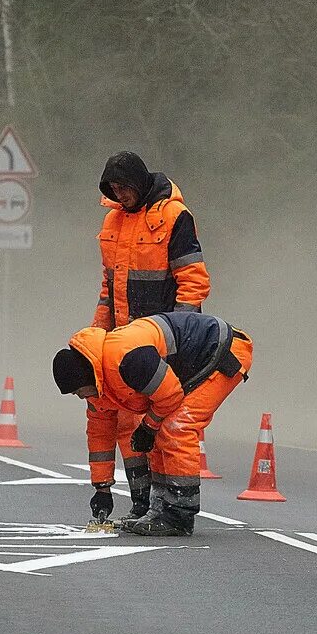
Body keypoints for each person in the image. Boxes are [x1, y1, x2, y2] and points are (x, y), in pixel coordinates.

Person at [52, 311, 253, 537]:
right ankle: (158, 509)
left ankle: (178, 515)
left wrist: (148, 426)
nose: (80, 397)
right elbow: (100, 435)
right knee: (158, 431)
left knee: (177, 427)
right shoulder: (99, 384)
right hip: (194, 360)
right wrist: (102, 488)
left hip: (221, 349)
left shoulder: (126, 357)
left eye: (78, 391)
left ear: (86, 376)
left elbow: (170, 397)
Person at [90, 150, 211, 521]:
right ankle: (143, 503)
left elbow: (192, 280)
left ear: (139, 183)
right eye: (112, 189)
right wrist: (98, 338)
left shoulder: (173, 216)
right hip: (126, 338)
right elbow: (109, 288)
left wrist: (180, 334)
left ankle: (169, 507)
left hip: (165, 338)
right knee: (129, 421)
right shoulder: (112, 221)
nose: (119, 195)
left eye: (124, 188)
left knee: (165, 419)